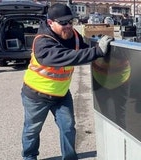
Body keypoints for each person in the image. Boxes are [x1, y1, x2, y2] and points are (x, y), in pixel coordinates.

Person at [20, 3, 114, 160]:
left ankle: (69, 158)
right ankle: (29, 157)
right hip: (36, 96)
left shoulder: (72, 35)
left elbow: (84, 48)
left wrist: (102, 46)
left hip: (61, 94)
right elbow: (66, 57)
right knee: (32, 130)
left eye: (71, 21)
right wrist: (96, 51)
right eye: (63, 23)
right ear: (50, 23)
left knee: (68, 128)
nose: (68, 26)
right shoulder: (42, 42)